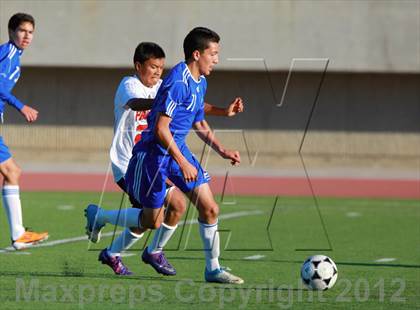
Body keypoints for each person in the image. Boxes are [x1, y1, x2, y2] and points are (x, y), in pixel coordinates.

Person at [85, 42, 243, 276]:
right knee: (151, 219)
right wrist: (167, 100)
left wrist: (222, 112)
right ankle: (104, 223)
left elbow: (193, 106)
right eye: (152, 67)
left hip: (160, 155)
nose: (158, 71)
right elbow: (137, 103)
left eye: (160, 67)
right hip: (129, 162)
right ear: (138, 66)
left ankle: (143, 251)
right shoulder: (129, 85)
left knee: (171, 209)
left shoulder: (165, 86)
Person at [0, 13, 48, 250]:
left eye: (30, 32)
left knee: (12, 172)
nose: (27, 36)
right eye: (22, 31)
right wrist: (21, 106)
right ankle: (18, 235)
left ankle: (19, 235)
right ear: (11, 32)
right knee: (12, 171)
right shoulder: (7, 54)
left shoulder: (14, 57)